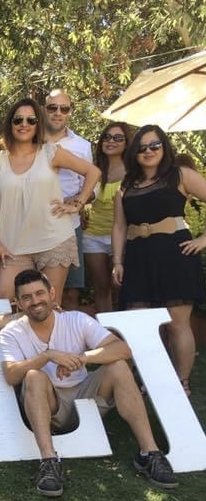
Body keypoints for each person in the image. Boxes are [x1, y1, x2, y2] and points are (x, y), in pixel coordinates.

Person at [0, 269, 178, 497]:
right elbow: (11, 375)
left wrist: (82, 358)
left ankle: (149, 453)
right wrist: (47, 356)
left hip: (86, 398)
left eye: (39, 293)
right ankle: (49, 462)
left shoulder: (76, 319)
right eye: (27, 297)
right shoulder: (12, 332)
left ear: (52, 294)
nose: (35, 301)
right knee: (33, 376)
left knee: (118, 365)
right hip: (48, 404)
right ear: (18, 303)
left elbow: (122, 349)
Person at [112, 125, 206, 397]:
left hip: (175, 254)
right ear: (134, 152)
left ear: (164, 146)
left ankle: (181, 382)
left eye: (155, 145)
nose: (149, 151)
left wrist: (203, 240)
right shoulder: (126, 185)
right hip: (138, 257)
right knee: (140, 323)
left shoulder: (181, 175)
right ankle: (152, 377)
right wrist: (117, 261)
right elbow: (119, 226)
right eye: (142, 147)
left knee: (177, 323)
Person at [0, 98, 100, 303]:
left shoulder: (51, 152)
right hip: (14, 246)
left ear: (38, 124)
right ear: (10, 124)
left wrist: (78, 203)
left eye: (31, 120)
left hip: (54, 239)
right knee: (2, 298)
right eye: (18, 120)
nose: (24, 124)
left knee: (50, 304)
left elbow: (93, 172)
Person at [43, 90, 94, 311]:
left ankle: (66, 333)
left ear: (70, 112)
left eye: (64, 108)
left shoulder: (81, 145)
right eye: (52, 107)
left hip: (68, 226)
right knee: (32, 290)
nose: (58, 113)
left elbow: (92, 186)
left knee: (70, 292)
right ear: (44, 110)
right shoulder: (29, 139)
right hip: (33, 226)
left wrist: (78, 201)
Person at [83, 122, 129, 313]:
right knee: (101, 288)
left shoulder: (133, 171)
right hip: (93, 236)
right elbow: (84, 197)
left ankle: (125, 328)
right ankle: (106, 329)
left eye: (118, 138)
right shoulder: (93, 170)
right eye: (107, 137)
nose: (111, 141)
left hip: (122, 236)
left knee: (120, 286)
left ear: (127, 143)